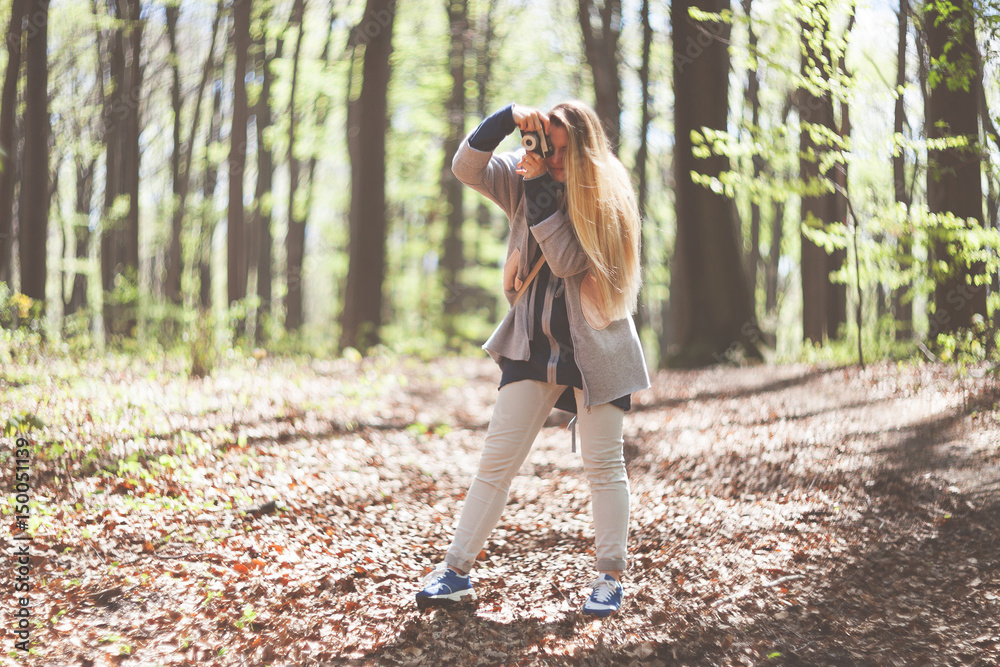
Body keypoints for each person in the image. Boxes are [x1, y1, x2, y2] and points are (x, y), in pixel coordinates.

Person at [415, 101, 650, 617]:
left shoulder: (607, 194)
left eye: (566, 150)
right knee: (496, 462)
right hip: (531, 344)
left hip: (598, 348)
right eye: (549, 145)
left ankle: (609, 577)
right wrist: (507, 119)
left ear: (586, 147)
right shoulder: (525, 177)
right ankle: (455, 571)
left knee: (603, 465)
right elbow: (465, 167)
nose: (556, 158)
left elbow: (567, 259)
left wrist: (542, 184)